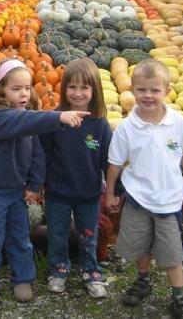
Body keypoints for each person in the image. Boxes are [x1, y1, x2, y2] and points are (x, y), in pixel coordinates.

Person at [0, 58, 89, 308]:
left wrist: (34, 185)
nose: (24, 93)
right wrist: (58, 117)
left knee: (20, 238)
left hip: (16, 191)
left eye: (27, 87)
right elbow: (22, 123)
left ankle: (22, 278)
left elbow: (36, 155)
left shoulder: (27, 117)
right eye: (15, 89)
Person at [104, 58, 183, 319]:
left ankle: (179, 294)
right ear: (132, 90)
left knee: (172, 251)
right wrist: (110, 193)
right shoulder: (127, 128)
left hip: (169, 199)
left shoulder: (177, 123)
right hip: (138, 198)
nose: (148, 95)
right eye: (142, 89)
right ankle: (143, 279)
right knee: (140, 244)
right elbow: (115, 164)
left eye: (155, 90)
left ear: (167, 90)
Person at [40, 58, 112, 298]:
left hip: (88, 193)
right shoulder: (56, 120)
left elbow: (107, 160)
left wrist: (115, 190)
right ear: (64, 89)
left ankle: (90, 269)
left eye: (84, 87)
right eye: (72, 87)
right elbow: (44, 155)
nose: (78, 93)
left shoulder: (100, 125)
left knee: (88, 235)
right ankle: (58, 269)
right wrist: (38, 183)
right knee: (57, 234)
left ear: (95, 91)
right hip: (58, 192)